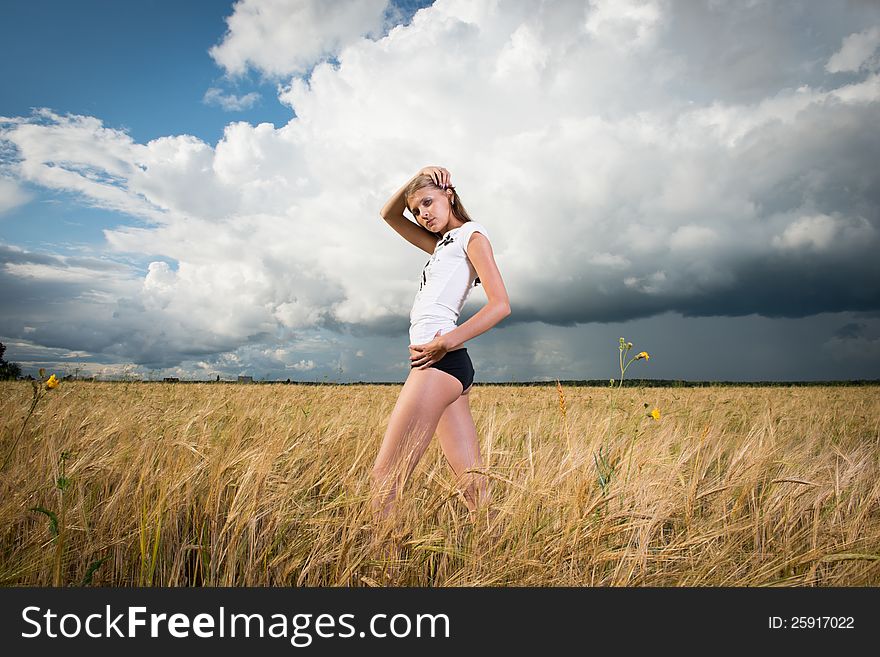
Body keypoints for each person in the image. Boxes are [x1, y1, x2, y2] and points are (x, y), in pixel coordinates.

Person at [370, 165, 511, 519]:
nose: (423, 214)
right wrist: (417, 175)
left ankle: (384, 566)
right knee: (474, 487)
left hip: (438, 362)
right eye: (417, 210)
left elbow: (500, 305)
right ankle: (490, 554)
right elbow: (389, 214)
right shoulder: (440, 244)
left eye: (429, 202)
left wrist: (445, 342)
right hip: (446, 366)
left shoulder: (471, 236)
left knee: (384, 480)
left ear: (449, 195)